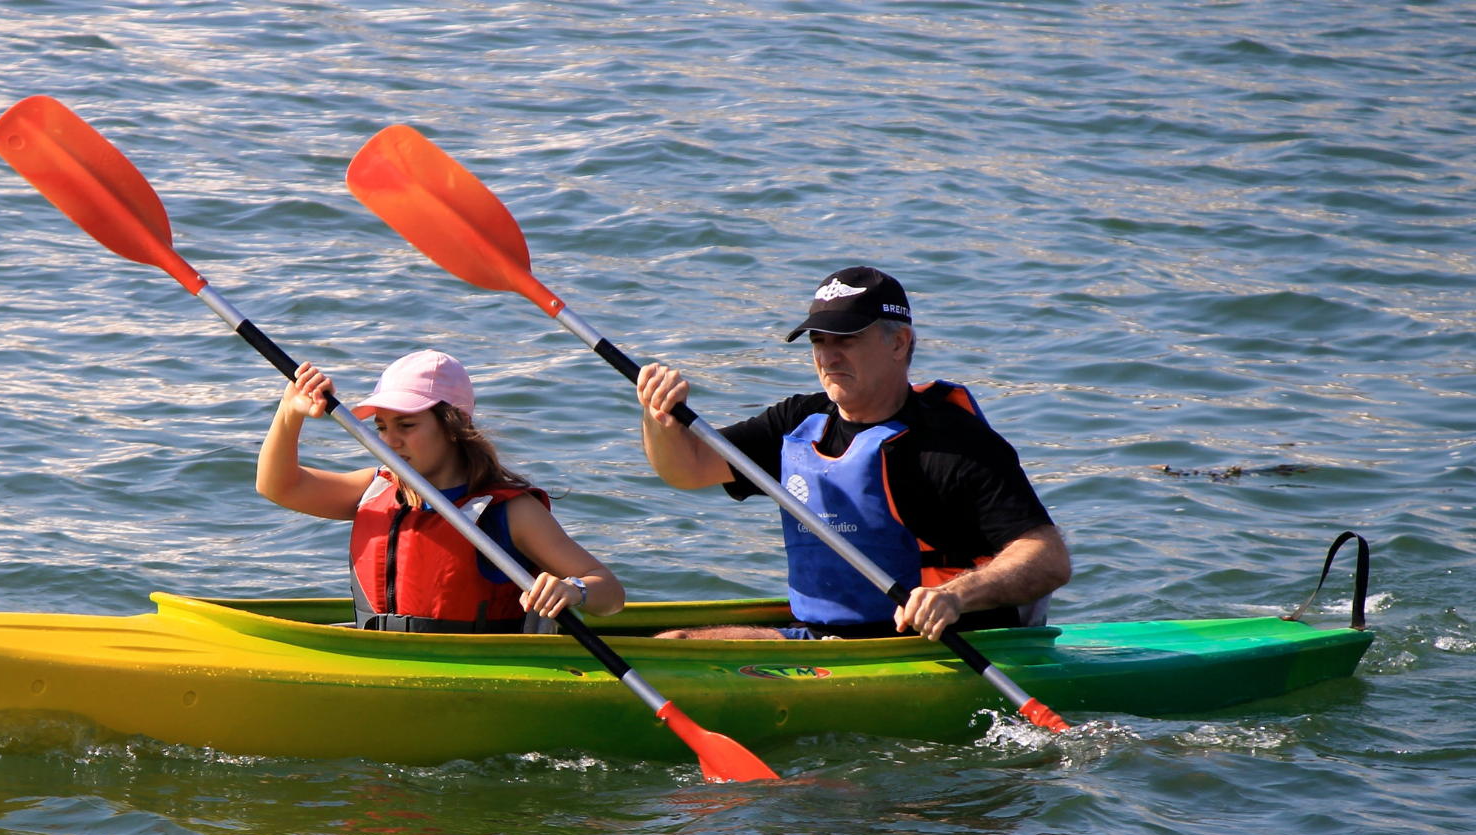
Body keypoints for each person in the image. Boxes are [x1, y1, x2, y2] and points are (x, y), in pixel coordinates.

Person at [635, 266, 1070, 641]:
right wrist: (659, 418)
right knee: (675, 640)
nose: (828, 355)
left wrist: (956, 595)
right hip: (827, 637)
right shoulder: (798, 421)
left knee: (676, 641)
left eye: (846, 338)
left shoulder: (954, 444)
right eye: (818, 342)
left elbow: (1048, 558)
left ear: (899, 342)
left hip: (933, 642)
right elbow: (687, 468)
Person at [257, 349, 624, 633]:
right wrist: (290, 412)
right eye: (382, 427)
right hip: (381, 657)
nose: (391, 440)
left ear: (454, 425)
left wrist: (574, 589)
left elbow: (610, 593)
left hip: (472, 674)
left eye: (407, 424)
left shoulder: (510, 512)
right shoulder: (373, 489)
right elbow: (278, 486)